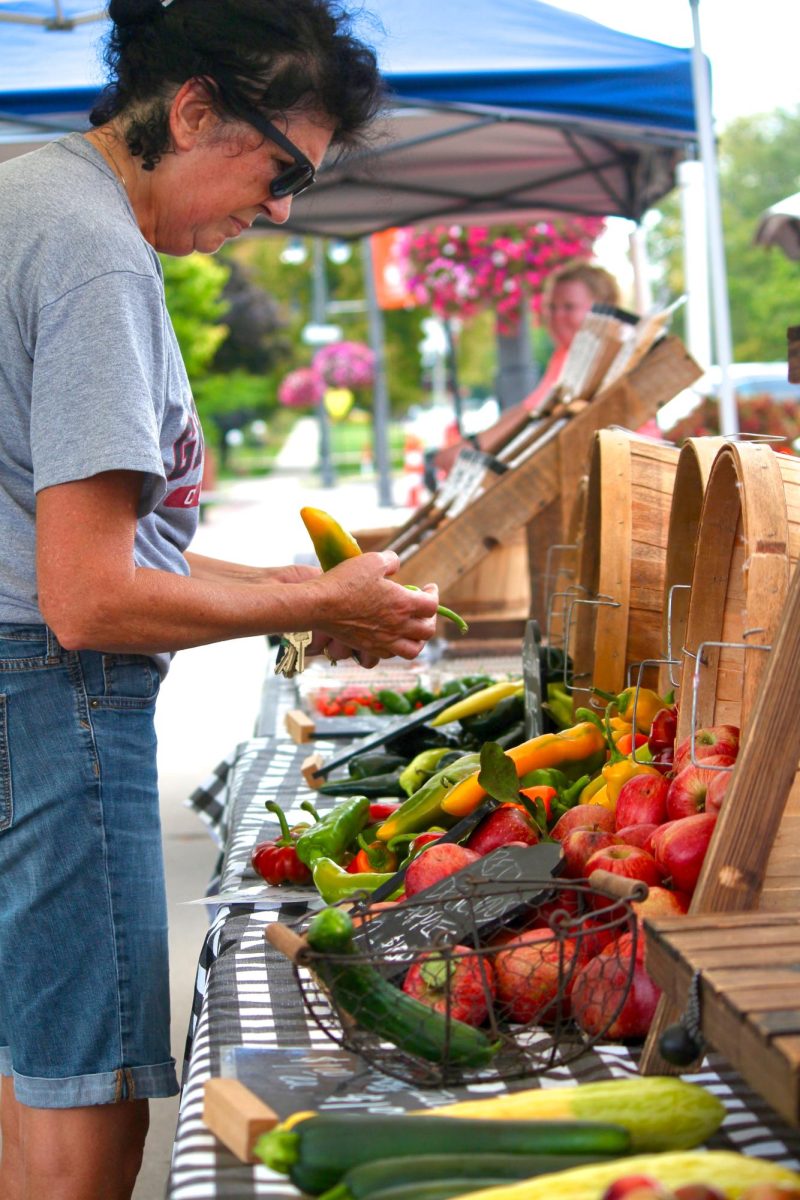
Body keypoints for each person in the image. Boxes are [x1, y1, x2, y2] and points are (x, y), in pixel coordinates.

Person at [0, 3, 440, 1197]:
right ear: (192, 109)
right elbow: (87, 598)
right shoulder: (91, 252)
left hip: (26, 691)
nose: (284, 206)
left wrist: (313, 595)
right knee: (85, 1108)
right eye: (282, 167)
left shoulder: (31, 196)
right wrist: (309, 603)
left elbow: (110, 548)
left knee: (36, 1073)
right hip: (50, 700)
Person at [435, 261, 623, 472]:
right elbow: (529, 407)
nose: (556, 317)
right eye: (551, 307)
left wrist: (472, 447)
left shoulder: (598, 354)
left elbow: (530, 412)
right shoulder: (567, 354)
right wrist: (472, 445)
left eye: (569, 307)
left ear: (603, 309)